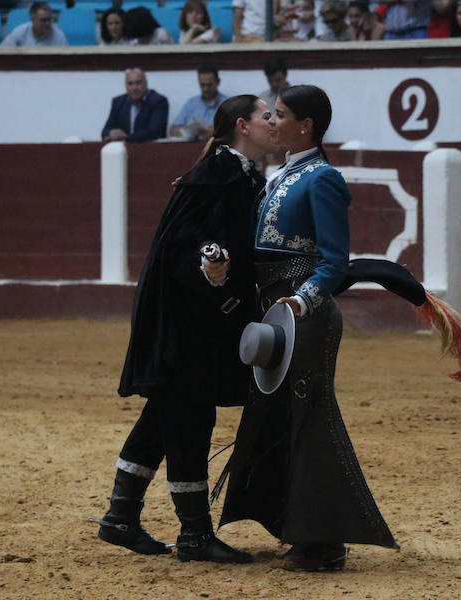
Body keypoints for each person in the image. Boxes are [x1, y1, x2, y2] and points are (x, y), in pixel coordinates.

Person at [217, 85, 399, 572]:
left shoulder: (322, 178)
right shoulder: (281, 175)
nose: (270, 123)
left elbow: (335, 261)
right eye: (269, 116)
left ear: (306, 126)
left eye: (279, 116)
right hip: (274, 311)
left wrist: (302, 298)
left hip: (305, 315)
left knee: (309, 420)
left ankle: (325, 540)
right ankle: (296, 526)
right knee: (278, 418)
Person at [93, 94, 279, 564]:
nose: (273, 123)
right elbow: (186, 245)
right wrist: (211, 265)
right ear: (243, 125)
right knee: (190, 418)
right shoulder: (217, 174)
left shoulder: (236, 173)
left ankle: (120, 517)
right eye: (266, 116)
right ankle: (195, 533)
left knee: (165, 416)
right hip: (188, 323)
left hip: (200, 317)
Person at [101, 68, 169, 143]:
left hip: (151, 150)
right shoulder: (118, 102)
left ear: (146, 83)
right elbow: (105, 131)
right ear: (125, 85)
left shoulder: (158, 101)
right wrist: (111, 133)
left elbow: (154, 131)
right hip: (123, 150)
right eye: (130, 84)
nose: (134, 88)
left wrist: (126, 137)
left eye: (138, 83)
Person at [169, 65, 229, 141]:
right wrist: (187, 132)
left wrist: (212, 131)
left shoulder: (227, 103)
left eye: (209, 85)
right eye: (202, 85)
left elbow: (233, 131)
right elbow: (172, 130)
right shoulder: (191, 103)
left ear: (218, 82)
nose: (205, 89)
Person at [0, 2, 68, 47]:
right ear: (33, 19)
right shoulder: (20, 32)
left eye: (49, 19)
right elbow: (1, 51)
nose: (47, 23)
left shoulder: (59, 36)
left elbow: (67, 60)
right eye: (43, 20)